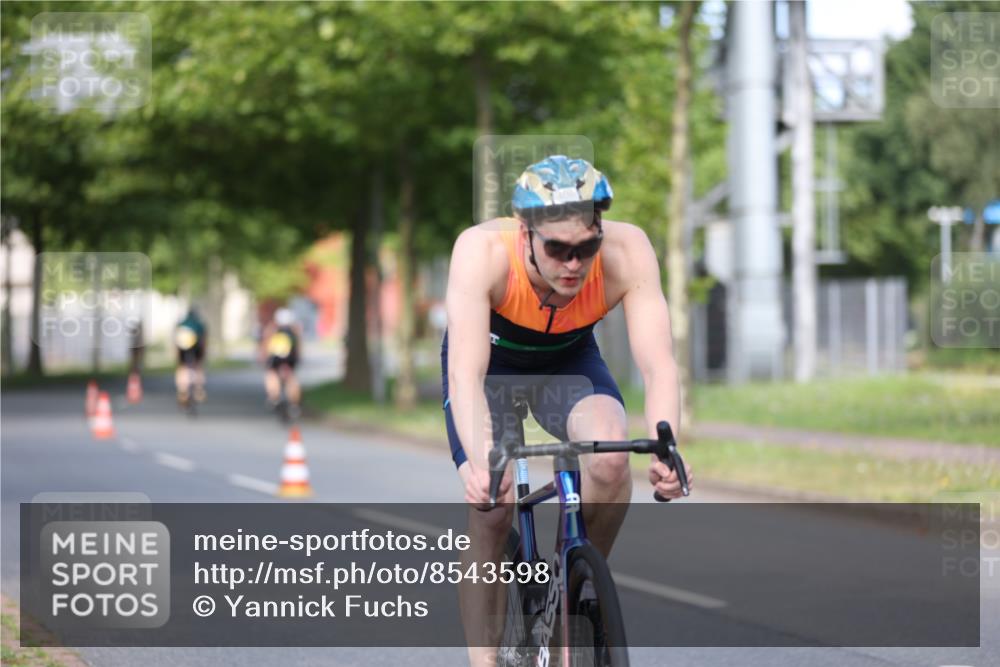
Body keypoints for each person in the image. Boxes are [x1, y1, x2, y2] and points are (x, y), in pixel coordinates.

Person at [442, 155, 694, 665]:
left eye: (586, 248)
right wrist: (482, 461)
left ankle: (577, 584)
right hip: (492, 369)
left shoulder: (628, 251)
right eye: (557, 249)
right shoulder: (481, 251)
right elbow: (465, 375)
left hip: (569, 362)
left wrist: (666, 447)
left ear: (600, 231)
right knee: (493, 509)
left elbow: (659, 365)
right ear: (525, 234)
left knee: (611, 459)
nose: (573, 264)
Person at [259, 307, 302, 419]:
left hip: (275, 359)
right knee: (291, 378)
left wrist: (263, 357)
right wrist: (298, 358)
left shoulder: (272, 329)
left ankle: (274, 398)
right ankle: (294, 405)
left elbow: (265, 343)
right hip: (290, 360)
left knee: (271, 375)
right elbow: (298, 346)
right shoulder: (294, 330)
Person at [174, 307, 207, 405]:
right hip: (196, 344)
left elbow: (176, 340)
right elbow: (204, 340)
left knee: (182, 367)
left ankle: (182, 390)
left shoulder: (182, 323)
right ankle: (199, 389)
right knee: (198, 365)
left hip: (182, 344)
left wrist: (177, 357)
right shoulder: (199, 324)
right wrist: (202, 355)